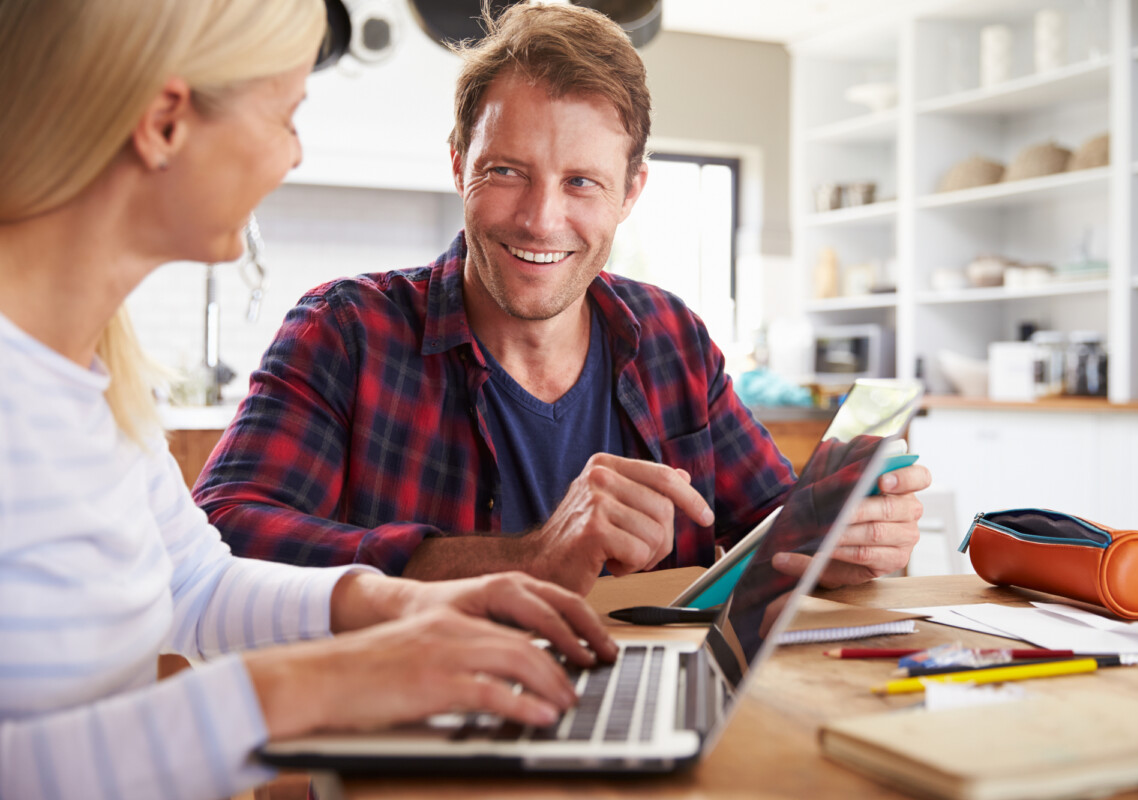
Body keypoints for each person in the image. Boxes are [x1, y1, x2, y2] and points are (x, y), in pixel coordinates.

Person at [0, 2, 618, 798]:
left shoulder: (90, 375)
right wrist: (317, 685)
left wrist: (405, 605)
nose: (294, 155)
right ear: (164, 124)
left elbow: (194, 582)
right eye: (287, 115)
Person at [194, 1, 931, 596]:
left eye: (582, 182)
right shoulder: (347, 330)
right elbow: (223, 536)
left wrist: (840, 543)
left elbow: (773, 530)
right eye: (507, 171)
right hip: (423, 728)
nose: (541, 220)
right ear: (459, 165)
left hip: (650, 727)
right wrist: (526, 556)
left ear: (631, 192)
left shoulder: (672, 337)